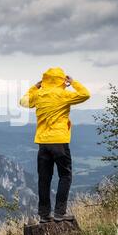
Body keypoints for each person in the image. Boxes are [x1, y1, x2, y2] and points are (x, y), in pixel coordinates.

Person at [20, 67, 90, 223]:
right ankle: (60, 213)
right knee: (65, 176)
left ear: (45, 80)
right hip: (59, 142)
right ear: (61, 80)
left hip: (43, 143)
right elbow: (85, 94)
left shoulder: (38, 95)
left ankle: (44, 215)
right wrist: (73, 83)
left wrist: (35, 87)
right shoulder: (63, 94)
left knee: (44, 179)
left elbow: (23, 101)